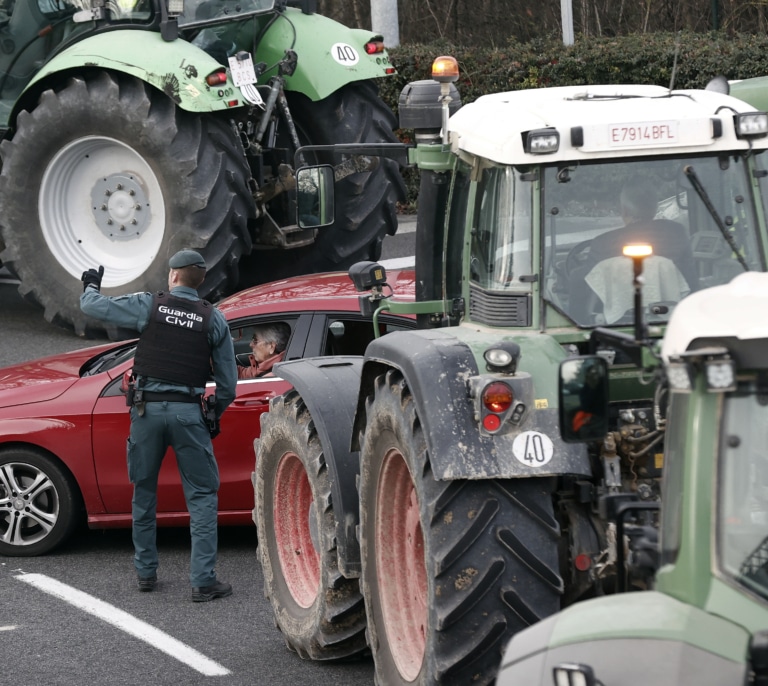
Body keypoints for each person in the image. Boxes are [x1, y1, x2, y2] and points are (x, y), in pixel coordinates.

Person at [79, 250, 237, 602]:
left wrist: (91, 284)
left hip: (146, 413)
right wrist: (213, 412)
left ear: (172, 277)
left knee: (144, 492)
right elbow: (228, 384)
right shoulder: (214, 319)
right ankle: (202, 581)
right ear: (200, 282)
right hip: (188, 415)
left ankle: (146, 573)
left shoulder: (149, 306)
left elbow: (92, 307)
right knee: (201, 497)